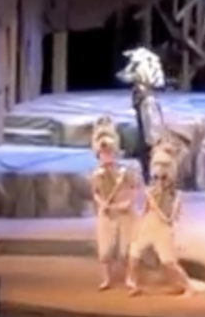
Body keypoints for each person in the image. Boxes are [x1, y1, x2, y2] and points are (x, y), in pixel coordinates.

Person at [126, 138, 205, 297]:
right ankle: (133, 283)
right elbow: (145, 211)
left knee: (168, 263)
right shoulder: (150, 192)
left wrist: (155, 203)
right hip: (148, 226)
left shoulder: (175, 196)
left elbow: (170, 218)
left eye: (163, 178)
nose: (159, 181)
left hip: (163, 230)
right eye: (156, 178)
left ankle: (189, 287)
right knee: (134, 253)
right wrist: (138, 227)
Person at [90, 116, 139, 290]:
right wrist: (102, 204)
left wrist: (128, 202)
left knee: (126, 249)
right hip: (107, 213)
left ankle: (130, 278)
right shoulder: (96, 174)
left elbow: (134, 188)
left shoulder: (125, 171)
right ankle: (107, 279)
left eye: (109, 152)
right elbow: (95, 193)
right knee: (105, 250)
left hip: (124, 212)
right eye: (103, 153)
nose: (106, 156)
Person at [116, 47, 167, 183]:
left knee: (148, 140)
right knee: (145, 140)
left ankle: (151, 174)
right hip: (144, 104)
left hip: (147, 106)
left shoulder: (147, 98)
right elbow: (123, 76)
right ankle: (148, 173)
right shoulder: (141, 92)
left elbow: (152, 133)